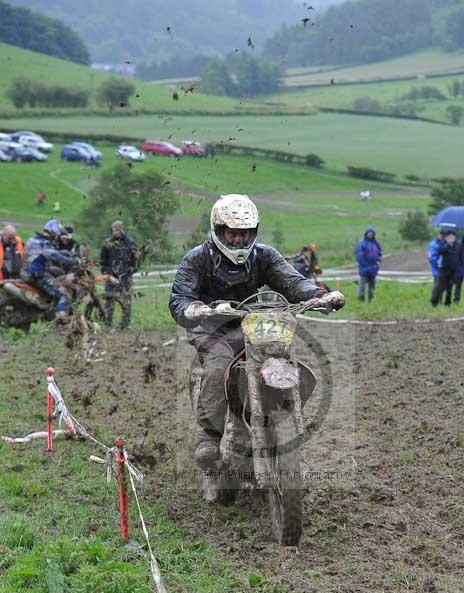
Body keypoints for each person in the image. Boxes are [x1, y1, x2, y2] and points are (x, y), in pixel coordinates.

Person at [169, 193, 345, 467]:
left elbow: (292, 282)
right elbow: (179, 298)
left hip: (252, 324)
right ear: (219, 230)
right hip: (211, 327)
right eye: (232, 233)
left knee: (286, 361)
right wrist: (194, 309)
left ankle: (277, 419)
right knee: (218, 368)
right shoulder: (197, 258)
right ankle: (209, 435)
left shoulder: (264, 256)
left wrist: (319, 296)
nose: (239, 240)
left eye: (245, 233)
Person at [22, 220, 79, 317]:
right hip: (36, 275)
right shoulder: (46, 244)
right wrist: (75, 261)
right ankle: (60, 319)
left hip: (25, 272)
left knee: (56, 272)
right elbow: (57, 257)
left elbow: (48, 253)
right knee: (64, 294)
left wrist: (64, 252)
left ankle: (48, 304)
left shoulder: (33, 239)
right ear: (54, 231)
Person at [100, 220, 139, 330]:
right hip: (111, 277)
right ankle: (107, 323)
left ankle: (125, 324)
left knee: (126, 301)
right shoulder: (107, 243)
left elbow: (136, 260)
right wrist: (108, 275)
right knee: (109, 301)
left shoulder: (130, 243)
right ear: (112, 230)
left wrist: (130, 272)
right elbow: (102, 262)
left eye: (118, 229)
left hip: (125, 277)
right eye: (114, 230)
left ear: (122, 229)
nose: (116, 232)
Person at [431, 230, 463, 308]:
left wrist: (459, 267)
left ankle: (447, 303)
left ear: (455, 237)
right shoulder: (443, 243)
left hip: (454, 269)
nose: (451, 238)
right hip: (444, 269)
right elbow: (440, 251)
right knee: (440, 286)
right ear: (446, 237)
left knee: (450, 287)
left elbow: (461, 256)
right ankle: (434, 301)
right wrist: (448, 244)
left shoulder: (459, 245)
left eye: (452, 236)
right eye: (449, 236)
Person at [355, 226, 382, 302]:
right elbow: (359, 256)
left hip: (373, 268)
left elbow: (379, 253)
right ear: (366, 234)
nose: (370, 235)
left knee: (372, 286)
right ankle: (360, 299)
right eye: (369, 233)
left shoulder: (376, 243)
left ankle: (371, 299)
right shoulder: (361, 243)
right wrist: (365, 266)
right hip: (364, 268)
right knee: (362, 285)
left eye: (372, 233)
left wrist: (378, 260)